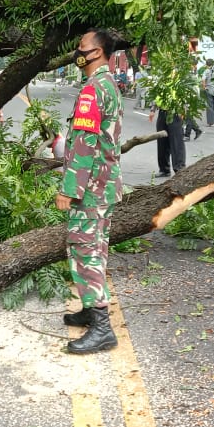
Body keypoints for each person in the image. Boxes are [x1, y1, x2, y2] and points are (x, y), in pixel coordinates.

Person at [56, 29, 123, 355]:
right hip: (105, 185)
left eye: (80, 47)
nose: (76, 52)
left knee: (85, 251)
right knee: (96, 246)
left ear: (96, 53)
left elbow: (84, 144)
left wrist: (69, 189)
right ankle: (88, 307)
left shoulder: (93, 90)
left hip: (90, 189)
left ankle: (101, 327)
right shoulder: (109, 85)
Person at [149, 102, 185, 177]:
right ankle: (164, 169)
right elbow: (156, 94)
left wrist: (184, 110)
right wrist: (152, 110)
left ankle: (180, 169)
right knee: (162, 142)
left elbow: (187, 94)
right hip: (162, 112)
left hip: (176, 112)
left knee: (176, 143)